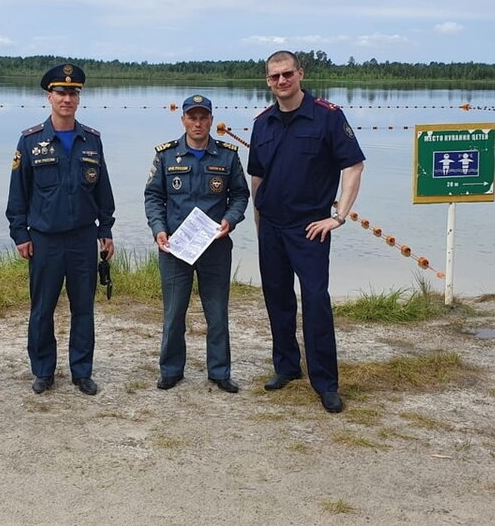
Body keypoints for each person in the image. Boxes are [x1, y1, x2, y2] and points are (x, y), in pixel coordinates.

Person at [247, 50, 365, 414]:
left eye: (287, 74)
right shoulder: (263, 123)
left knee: (315, 302)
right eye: (274, 76)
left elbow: (354, 166)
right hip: (272, 225)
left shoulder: (327, 116)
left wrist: (339, 217)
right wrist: (258, 221)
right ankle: (286, 366)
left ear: (300, 74)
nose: (281, 81)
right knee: (277, 298)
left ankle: (325, 382)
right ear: (268, 81)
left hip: (310, 228)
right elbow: (257, 177)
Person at [6, 63, 115, 396]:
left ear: (78, 98)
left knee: (83, 308)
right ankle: (43, 370)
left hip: (83, 237)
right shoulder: (30, 141)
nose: (67, 99)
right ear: (49, 96)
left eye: (73, 93)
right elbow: (18, 193)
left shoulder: (91, 141)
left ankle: (82, 371)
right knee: (42, 309)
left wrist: (106, 229)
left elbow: (103, 191)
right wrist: (20, 234)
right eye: (61, 92)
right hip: (45, 240)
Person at [144, 95, 250, 393]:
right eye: (192, 117)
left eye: (204, 117)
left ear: (211, 120)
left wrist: (230, 220)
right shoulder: (166, 156)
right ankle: (171, 370)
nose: (198, 123)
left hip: (215, 247)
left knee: (217, 314)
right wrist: (158, 230)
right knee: (174, 313)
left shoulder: (227, 156)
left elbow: (240, 195)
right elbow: (153, 197)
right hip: (175, 248)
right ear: (183, 120)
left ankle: (219, 371)